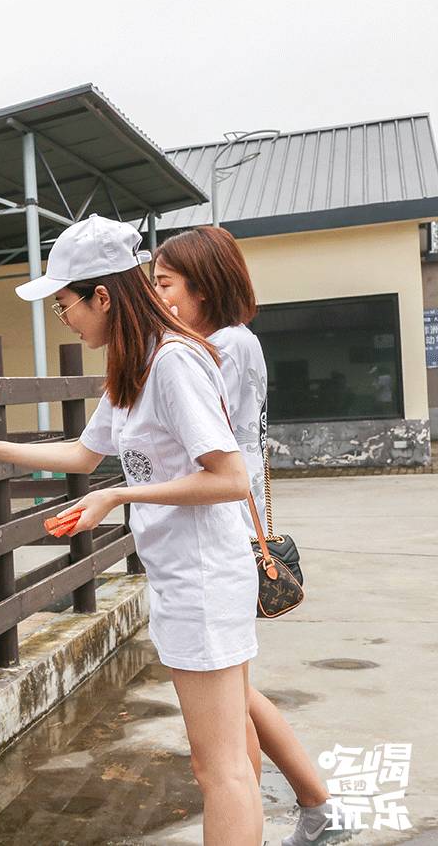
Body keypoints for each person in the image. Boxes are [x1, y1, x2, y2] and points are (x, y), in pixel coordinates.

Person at [0, 215, 262, 845]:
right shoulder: (133, 366)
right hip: (183, 576)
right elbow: (83, 455)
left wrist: (119, 493)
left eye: (65, 305)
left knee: (216, 768)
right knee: (232, 755)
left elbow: (230, 478)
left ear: (104, 296)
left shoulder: (171, 363)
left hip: (203, 577)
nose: (66, 318)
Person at [153, 226, 334, 846]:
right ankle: (313, 804)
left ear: (202, 288)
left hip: (221, 522)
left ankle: (285, 811)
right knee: (237, 694)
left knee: (230, 713)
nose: (157, 296)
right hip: (237, 511)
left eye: (166, 283)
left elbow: (207, 445)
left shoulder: (215, 348)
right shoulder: (235, 341)